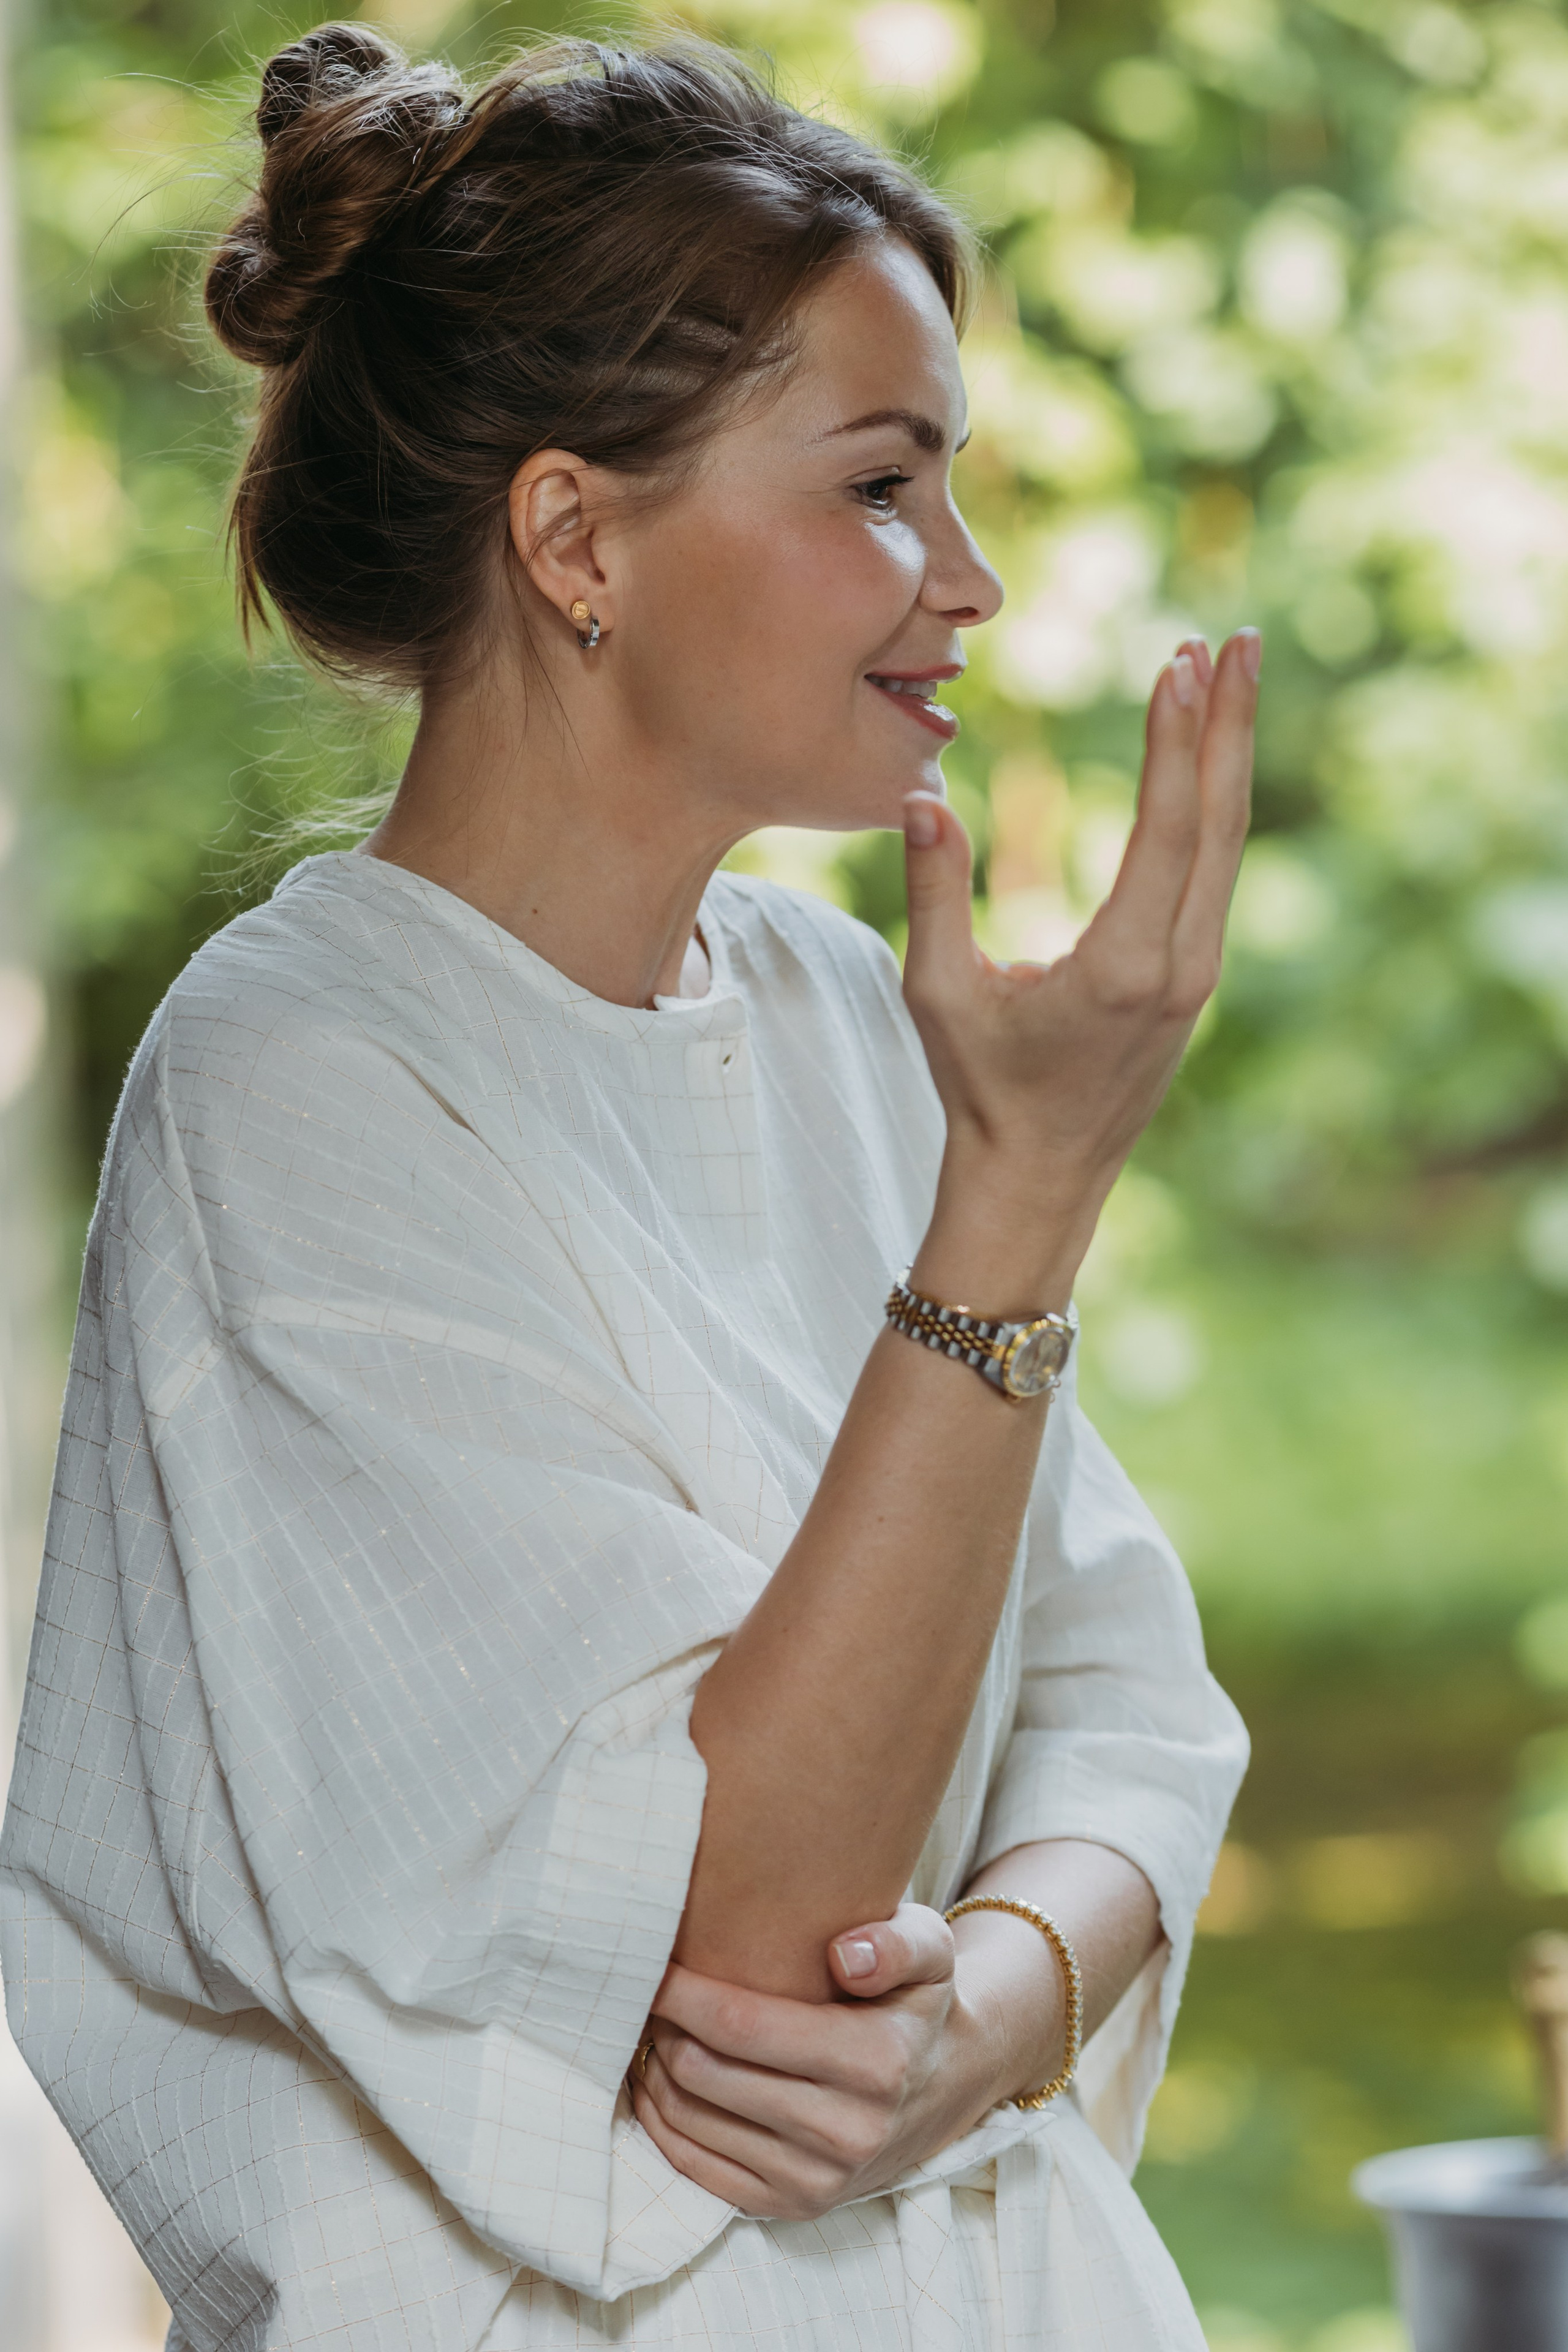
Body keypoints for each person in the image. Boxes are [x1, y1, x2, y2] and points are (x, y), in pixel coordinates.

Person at [0, 27, 1255, 2351]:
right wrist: (1027, 1199)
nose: (971, 581)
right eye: (882, 487)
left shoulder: (835, 1012)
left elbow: (1124, 1704)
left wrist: (987, 2013)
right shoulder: (299, 1094)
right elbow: (738, 1937)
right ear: (576, 536)